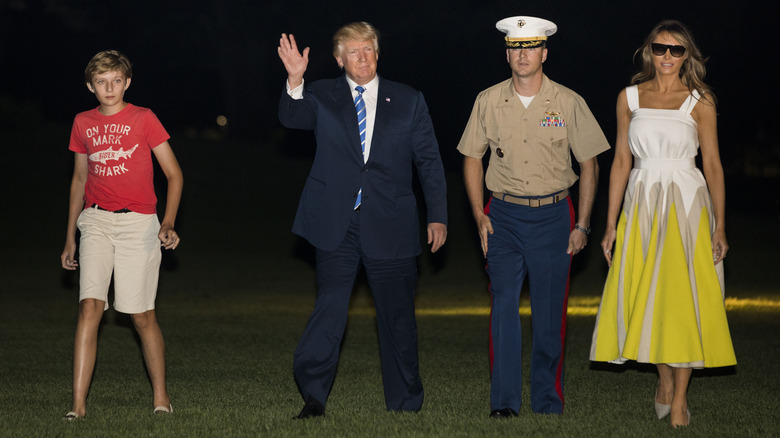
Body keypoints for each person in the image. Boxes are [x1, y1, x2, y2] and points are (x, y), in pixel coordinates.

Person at [276, 22, 448, 419]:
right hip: (337, 222)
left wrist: (437, 215)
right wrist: (295, 79)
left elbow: (429, 162)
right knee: (331, 308)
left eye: (369, 49)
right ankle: (314, 397)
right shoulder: (321, 94)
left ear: (377, 52)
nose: (363, 57)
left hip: (391, 221)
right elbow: (293, 118)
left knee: (398, 316)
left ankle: (404, 402)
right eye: (353, 51)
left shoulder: (408, 100)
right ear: (339, 59)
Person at [458, 16, 609, 418]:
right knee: (504, 303)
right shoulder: (487, 100)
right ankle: (504, 403)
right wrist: (478, 214)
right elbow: (472, 157)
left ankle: (547, 402)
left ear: (544, 53)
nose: (522, 56)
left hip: (554, 216)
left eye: (530, 48)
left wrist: (583, 225)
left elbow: (590, 164)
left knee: (549, 312)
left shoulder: (568, 102)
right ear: (507, 53)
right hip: (502, 216)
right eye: (515, 48)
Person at [589, 20, 736, 428]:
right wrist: (611, 224)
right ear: (648, 51)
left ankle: (681, 399)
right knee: (646, 292)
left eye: (676, 50)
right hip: (641, 201)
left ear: (688, 55)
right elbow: (619, 161)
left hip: (687, 202)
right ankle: (664, 380)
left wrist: (720, 225)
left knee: (684, 295)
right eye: (660, 48)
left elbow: (713, 165)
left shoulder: (700, 100)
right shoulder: (629, 98)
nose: (667, 57)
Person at [60, 50, 183, 420]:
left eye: (116, 80)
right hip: (95, 222)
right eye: (101, 82)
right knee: (89, 307)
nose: (109, 87)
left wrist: (168, 222)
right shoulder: (82, 122)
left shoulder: (144, 119)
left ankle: (161, 398)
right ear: (90, 86)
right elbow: (80, 179)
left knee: (141, 316)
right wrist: (70, 237)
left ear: (127, 82)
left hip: (138, 225)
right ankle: (77, 407)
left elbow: (174, 174)